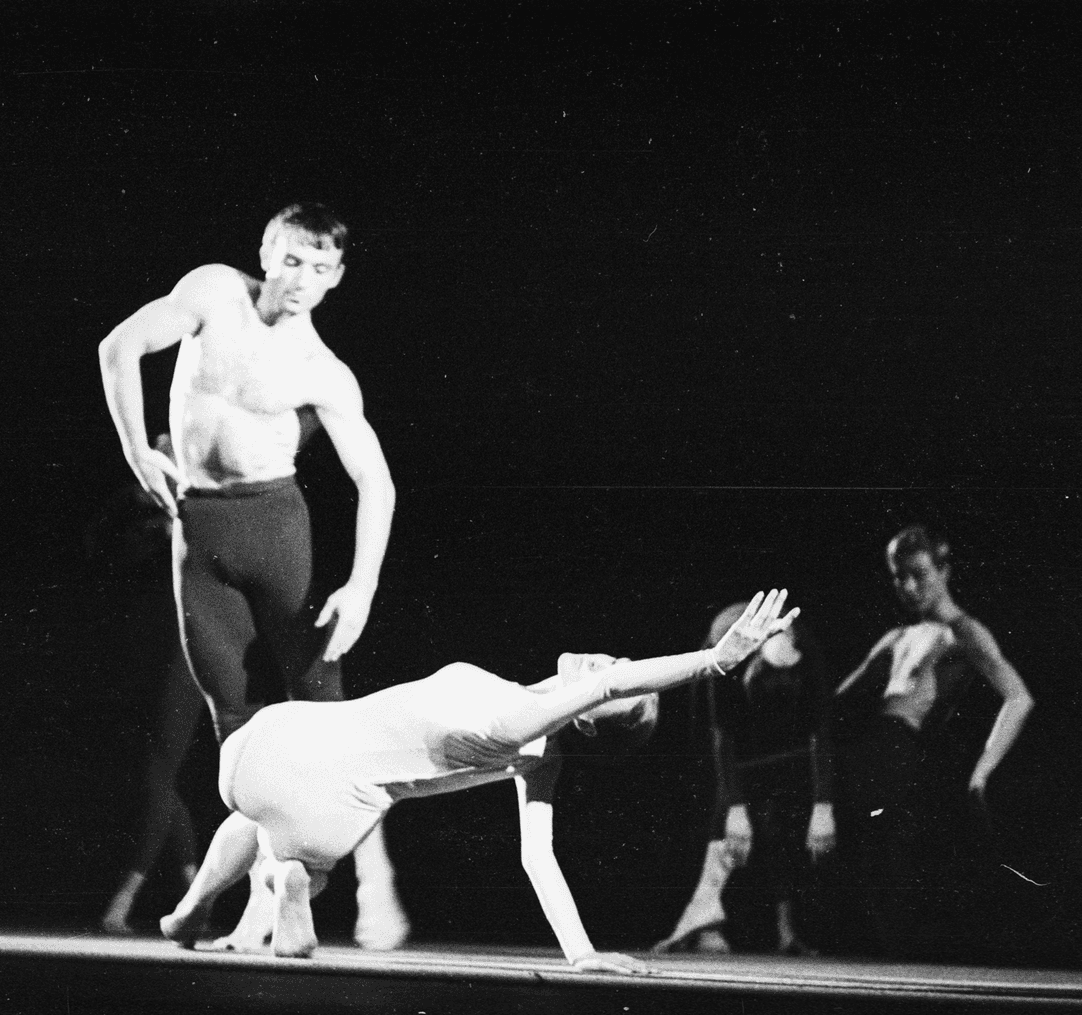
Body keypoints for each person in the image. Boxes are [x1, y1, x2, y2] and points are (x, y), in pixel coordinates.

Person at [158, 591, 799, 972]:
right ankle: (276, 881)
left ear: (590, 725)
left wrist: (714, 661)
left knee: (255, 810)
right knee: (280, 830)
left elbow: (609, 683)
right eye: (624, 664)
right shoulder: (525, 736)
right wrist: (579, 954)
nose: (611, 664)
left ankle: (224, 897)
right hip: (314, 804)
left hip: (272, 748)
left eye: (619, 691)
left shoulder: (522, 723)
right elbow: (538, 859)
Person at [97, 203, 407, 949]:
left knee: (327, 712)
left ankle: (376, 879)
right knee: (234, 734)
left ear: (337, 279)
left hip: (276, 531)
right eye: (294, 261)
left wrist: (361, 584)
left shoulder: (320, 367)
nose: (303, 281)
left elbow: (378, 480)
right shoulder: (212, 293)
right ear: (267, 252)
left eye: (322, 269)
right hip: (199, 535)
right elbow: (120, 346)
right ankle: (267, 894)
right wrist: (139, 450)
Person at [834, 525, 1034, 957]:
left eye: (919, 574)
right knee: (870, 856)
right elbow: (834, 704)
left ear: (944, 571)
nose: (908, 586)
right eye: (898, 576)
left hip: (901, 748)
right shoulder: (898, 636)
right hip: (871, 747)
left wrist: (983, 771)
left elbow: (1018, 697)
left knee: (890, 855)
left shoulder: (963, 631)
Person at [654, 604, 835, 956]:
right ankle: (705, 919)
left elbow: (819, 730)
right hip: (720, 705)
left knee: (777, 808)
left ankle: (786, 931)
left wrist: (823, 804)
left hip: (777, 730)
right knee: (720, 798)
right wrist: (736, 807)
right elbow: (720, 735)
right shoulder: (729, 653)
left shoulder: (808, 655)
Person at [90, 437, 210, 935]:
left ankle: (125, 901)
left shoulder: (194, 514)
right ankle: (193, 898)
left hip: (180, 658)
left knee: (159, 774)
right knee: (160, 779)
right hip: (141, 654)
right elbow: (99, 545)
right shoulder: (144, 519)